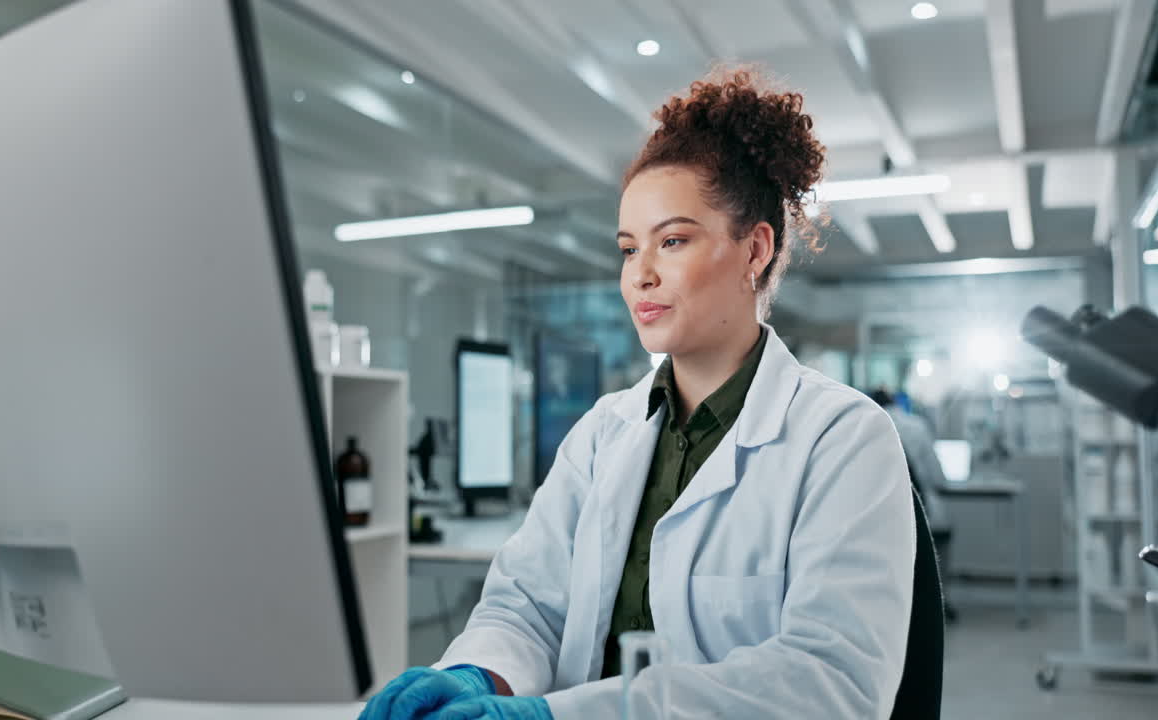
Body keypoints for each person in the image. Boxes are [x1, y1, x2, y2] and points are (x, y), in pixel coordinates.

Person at [360, 68, 916, 720]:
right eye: (629, 249)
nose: (640, 276)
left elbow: (831, 684)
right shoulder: (603, 434)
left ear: (755, 249)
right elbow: (527, 605)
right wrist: (480, 674)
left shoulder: (842, 439)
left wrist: (557, 715)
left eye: (673, 241)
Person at [870, 388, 957, 621]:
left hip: (876, 517)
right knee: (938, 545)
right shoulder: (915, 426)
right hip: (923, 512)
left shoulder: (860, 426)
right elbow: (936, 476)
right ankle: (939, 603)